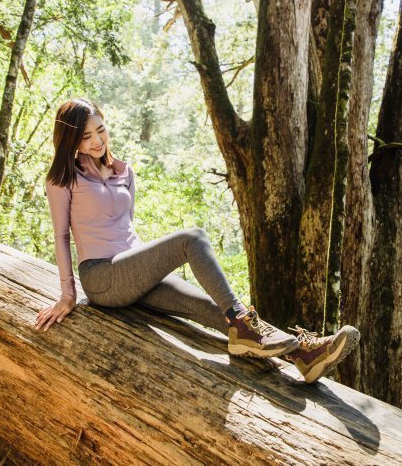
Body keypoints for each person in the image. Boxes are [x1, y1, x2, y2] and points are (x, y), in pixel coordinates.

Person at [34, 97, 360, 383]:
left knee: (207, 305)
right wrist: (67, 294)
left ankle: (302, 355)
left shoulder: (124, 172)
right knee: (192, 238)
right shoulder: (62, 179)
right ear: (71, 142)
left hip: (133, 271)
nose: (97, 140)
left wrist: (151, 265)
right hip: (102, 277)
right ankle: (248, 329)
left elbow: (126, 228)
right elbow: (61, 236)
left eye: (100, 129)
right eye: (86, 136)